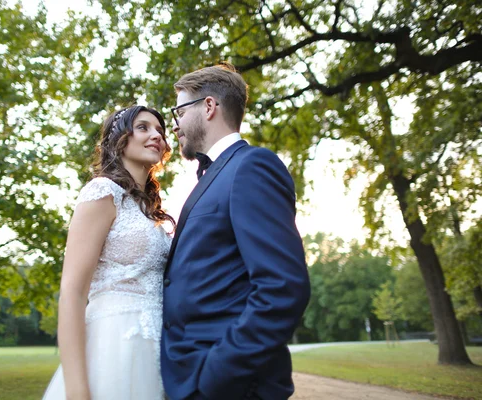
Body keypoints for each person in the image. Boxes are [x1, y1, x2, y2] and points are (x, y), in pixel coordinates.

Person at [161, 64, 311, 400]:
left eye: (180, 111)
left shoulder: (252, 166)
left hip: (230, 385)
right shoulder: (214, 175)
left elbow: (282, 287)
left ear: (209, 107)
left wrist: (219, 372)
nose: (175, 124)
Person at [43, 105, 174, 400]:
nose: (156, 135)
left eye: (160, 131)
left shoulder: (149, 211)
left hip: (155, 351)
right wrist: (77, 390)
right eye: (143, 127)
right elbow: (73, 292)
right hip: (113, 347)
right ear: (120, 139)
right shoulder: (102, 192)